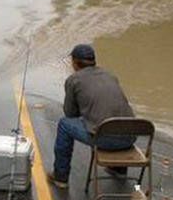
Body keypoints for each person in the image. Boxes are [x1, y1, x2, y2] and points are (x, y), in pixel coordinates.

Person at [47, 44, 136, 188]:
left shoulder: (73, 80)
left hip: (105, 139)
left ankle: (60, 177)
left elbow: (70, 114)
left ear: (75, 62)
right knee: (113, 119)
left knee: (64, 124)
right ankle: (119, 169)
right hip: (130, 137)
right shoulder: (110, 75)